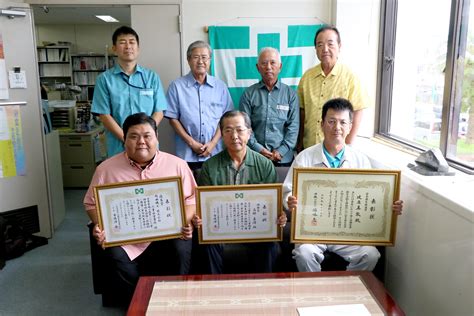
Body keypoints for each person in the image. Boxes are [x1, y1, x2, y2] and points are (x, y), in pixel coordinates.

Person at [83, 113, 196, 306]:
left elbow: (191, 199)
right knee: (114, 253)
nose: (141, 142)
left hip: (168, 233)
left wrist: (184, 222)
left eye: (147, 135)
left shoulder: (177, 165)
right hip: (126, 237)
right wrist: (100, 225)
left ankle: (176, 301)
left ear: (157, 137)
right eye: (134, 136)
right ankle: (139, 303)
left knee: (181, 247)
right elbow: (91, 203)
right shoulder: (106, 169)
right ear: (124, 139)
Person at [283, 98, 404, 272]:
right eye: (331, 121)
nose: (337, 127)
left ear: (350, 126)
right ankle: (315, 293)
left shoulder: (360, 160)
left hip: (346, 229)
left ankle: (346, 290)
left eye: (342, 122)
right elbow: (288, 191)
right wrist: (290, 201)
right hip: (313, 229)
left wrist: (389, 207)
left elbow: (371, 198)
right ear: (322, 124)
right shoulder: (305, 157)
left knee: (370, 255)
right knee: (304, 253)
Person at [193, 110, 287, 274]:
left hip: (256, 229)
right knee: (206, 243)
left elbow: (273, 206)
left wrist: (280, 216)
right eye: (228, 130)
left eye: (239, 130)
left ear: (249, 133)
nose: (234, 135)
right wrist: (200, 219)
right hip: (221, 230)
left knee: (270, 244)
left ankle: (264, 293)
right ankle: (213, 291)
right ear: (221, 134)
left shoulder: (265, 165)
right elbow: (205, 208)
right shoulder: (210, 167)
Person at [92, 26, 168, 157]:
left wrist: (145, 137)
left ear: (138, 48)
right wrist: (127, 139)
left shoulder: (151, 77)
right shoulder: (104, 80)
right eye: (122, 42)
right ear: (114, 48)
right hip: (118, 146)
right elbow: (104, 115)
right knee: (120, 177)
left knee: (149, 177)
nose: (128, 46)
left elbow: (159, 111)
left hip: (148, 147)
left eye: (132, 42)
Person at [164, 40, 233, 171]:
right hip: (186, 154)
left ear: (210, 60)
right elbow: (172, 119)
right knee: (188, 191)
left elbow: (226, 119)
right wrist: (192, 143)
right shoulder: (176, 86)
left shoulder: (220, 86)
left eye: (204, 57)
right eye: (196, 57)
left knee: (214, 191)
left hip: (215, 153)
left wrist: (212, 144)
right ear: (188, 60)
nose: (200, 61)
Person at [297, 25, 368, 151]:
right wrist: (299, 144)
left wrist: (347, 143)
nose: (325, 49)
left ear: (339, 46)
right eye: (320, 45)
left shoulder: (350, 77)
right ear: (315, 49)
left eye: (330, 44)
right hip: (310, 148)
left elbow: (358, 111)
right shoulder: (307, 77)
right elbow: (302, 113)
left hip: (338, 150)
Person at [239, 47, 299, 166]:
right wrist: (259, 149)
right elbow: (244, 127)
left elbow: (293, 127)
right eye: (264, 63)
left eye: (273, 63)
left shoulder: (290, 94)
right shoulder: (248, 94)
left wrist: (281, 151)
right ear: (257, 67)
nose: (268, 67)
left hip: (283, 159)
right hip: (255, 158)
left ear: (280, 66)